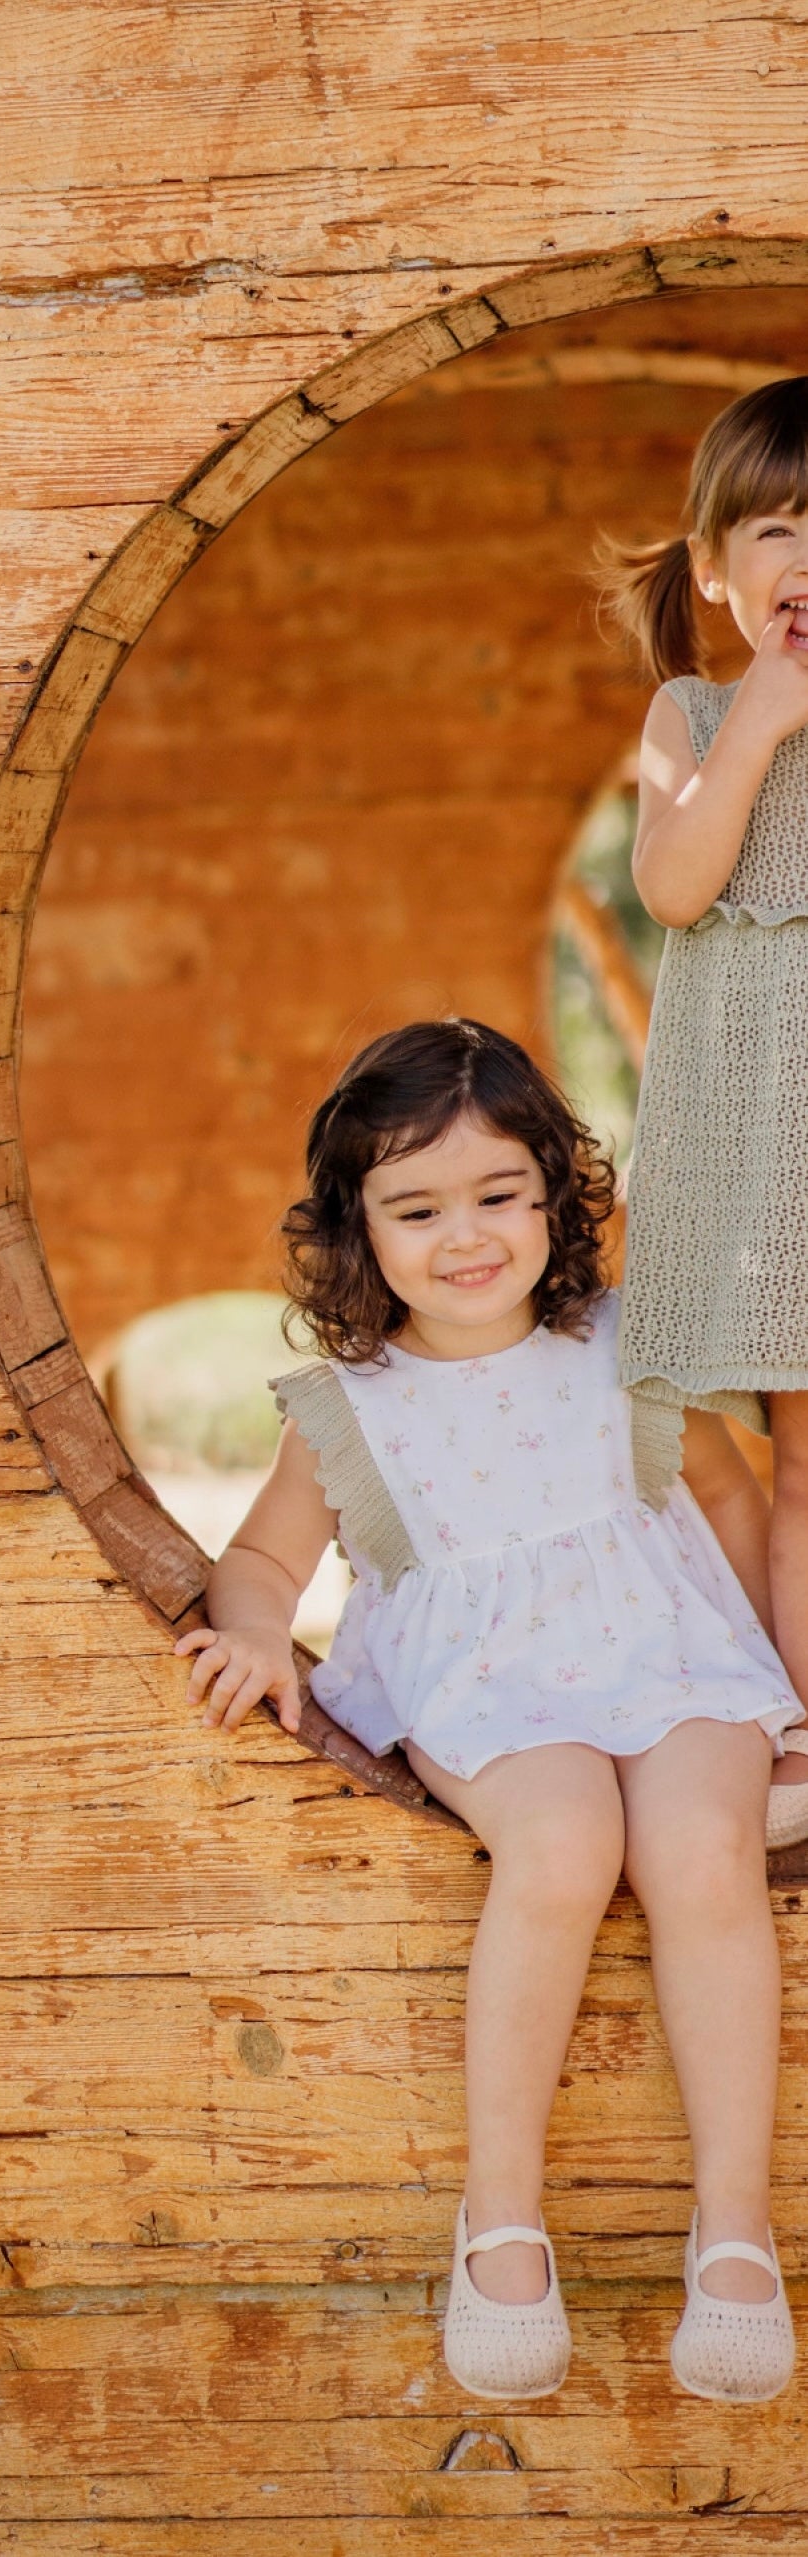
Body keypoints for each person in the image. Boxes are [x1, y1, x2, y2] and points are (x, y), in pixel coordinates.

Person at [177, 1020, 800, 2404]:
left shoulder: (624, 1343)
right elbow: (268, 1557)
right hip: (488, 1679)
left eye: (498, 1195)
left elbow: (734, 1497)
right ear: (357, 1226)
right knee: (567, 1839)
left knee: (705, 1846)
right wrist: (255, 1629)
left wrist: (786, 1685)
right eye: (416, 1207)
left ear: (557, 1196)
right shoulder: (357, 1404)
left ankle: (736, 2225)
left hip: (673, 1647)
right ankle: (502, 2216)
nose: (465, 1237)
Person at [600, 377, 808, 1848]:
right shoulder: (694, 711)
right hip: (763, 1164)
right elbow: (674, 887)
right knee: (801, 1460)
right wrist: (768, 726)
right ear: (716, 568)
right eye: (779, 527)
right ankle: (800, 1719)